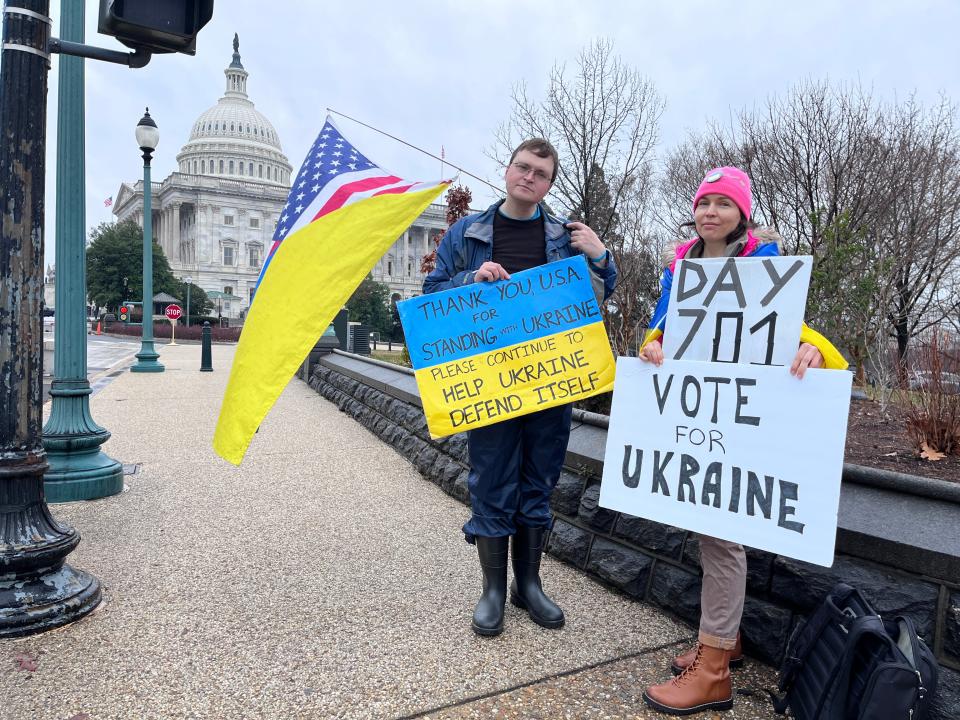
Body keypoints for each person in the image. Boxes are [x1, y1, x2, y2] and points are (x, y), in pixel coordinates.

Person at [638, 166, 847, 715]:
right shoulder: (682, 266)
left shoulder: (761, 263)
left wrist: (815, 350)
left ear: (741, 214)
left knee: (723, 536)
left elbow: (787, 325)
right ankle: (722, 643)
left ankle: (713, 674)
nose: (710, 212)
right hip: (700, 410)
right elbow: (667, 324)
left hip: (741, 415)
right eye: (704, 202)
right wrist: (654, 343)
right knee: (712, 533)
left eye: (722, 204)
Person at [423, 138, 617, 636]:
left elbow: (595, 297)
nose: (529, 178)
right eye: (523, 168)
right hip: (489, 383)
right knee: (491, 481)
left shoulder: (563, 236)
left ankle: (526, 585)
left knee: (539, 481)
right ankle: (492, 589)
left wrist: (602, 259)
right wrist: (471, 278)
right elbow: (431, 293)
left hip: (551, 383)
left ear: (550, 184)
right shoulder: (468, 232)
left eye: (541, 174)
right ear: (508, 170)